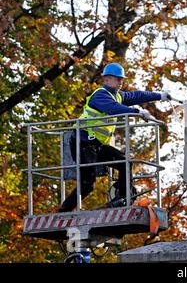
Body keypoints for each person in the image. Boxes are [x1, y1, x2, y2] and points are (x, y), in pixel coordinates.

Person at [58, 63, 171, 212]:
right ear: (106, 80)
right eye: (117, 80)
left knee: (125, 163)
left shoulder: (117, 95)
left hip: (96, 145)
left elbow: (137, 95)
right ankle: (63, 212)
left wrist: (160, 96)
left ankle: (122, 198)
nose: (120, 83)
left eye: (121, 80)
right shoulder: (100, 95)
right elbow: (113, 109)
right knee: (87, 184)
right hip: (83, 143)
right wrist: (137, 112)